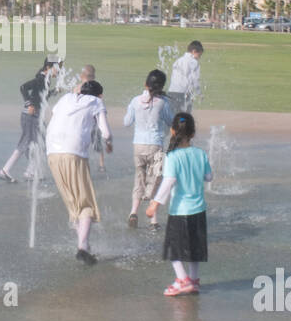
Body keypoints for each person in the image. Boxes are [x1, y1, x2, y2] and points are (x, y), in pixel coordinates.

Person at [45, 79, 112, 265]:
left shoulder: (66, 98)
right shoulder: (97, 102)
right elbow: (105, 132)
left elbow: (54, 116)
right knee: (85, 205)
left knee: (73, 206)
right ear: (99, 95)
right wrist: (109, 142)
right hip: (73, 153)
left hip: (51, 153)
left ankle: (85, 245)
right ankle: (82, 247)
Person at [147, 112, 212, 296]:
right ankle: (194, 280)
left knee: (174, 248)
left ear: (173, 131)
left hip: (180, 210)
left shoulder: (172, 156)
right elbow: (209, 177)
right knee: (194, 248)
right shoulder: (200, 153)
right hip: (199, 209)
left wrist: (155, 204)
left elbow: (169, 181)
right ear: (193, 133)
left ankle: (182, 280)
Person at [124, 69, 174, 230]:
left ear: (146, 84)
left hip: (138, 145)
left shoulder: (135, 100)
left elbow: (126, 122)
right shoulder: (163, 103)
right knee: (155, 182)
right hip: (155, 145)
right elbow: (170, 121)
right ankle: (153, 220)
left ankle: (133, 212)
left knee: (139, 179)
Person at [0, 57, 61, 182]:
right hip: (30, 115)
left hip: (35, 116)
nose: (59, 71)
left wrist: (54, 91)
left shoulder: (45, 80)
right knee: (26, 142)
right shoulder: (40, 79)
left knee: (38, 141)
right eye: (57, 68)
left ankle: (30, 172)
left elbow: (42, 96)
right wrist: (29, 104)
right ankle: (6, 170)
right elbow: (23, 87)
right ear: (48, 67)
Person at [75, 64, 107, 175]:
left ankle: (101, 164)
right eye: (88, 76)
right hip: (83, 121)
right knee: (81, 141)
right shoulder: (78, 88)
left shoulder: (94, 87)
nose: (90, 78)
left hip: (92, 120)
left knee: (97, 141)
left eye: (92, 76)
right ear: (82, 75)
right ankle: (81, 162)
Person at [167, 41, 203, 113]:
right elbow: (195, 79)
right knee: (185, 116)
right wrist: (199, 93)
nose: (199, 57)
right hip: (183, 93)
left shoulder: (178, 60)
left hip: (171, 92)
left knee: (174, 115)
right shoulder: (194, 62)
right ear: (194, 51)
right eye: (199, 55)